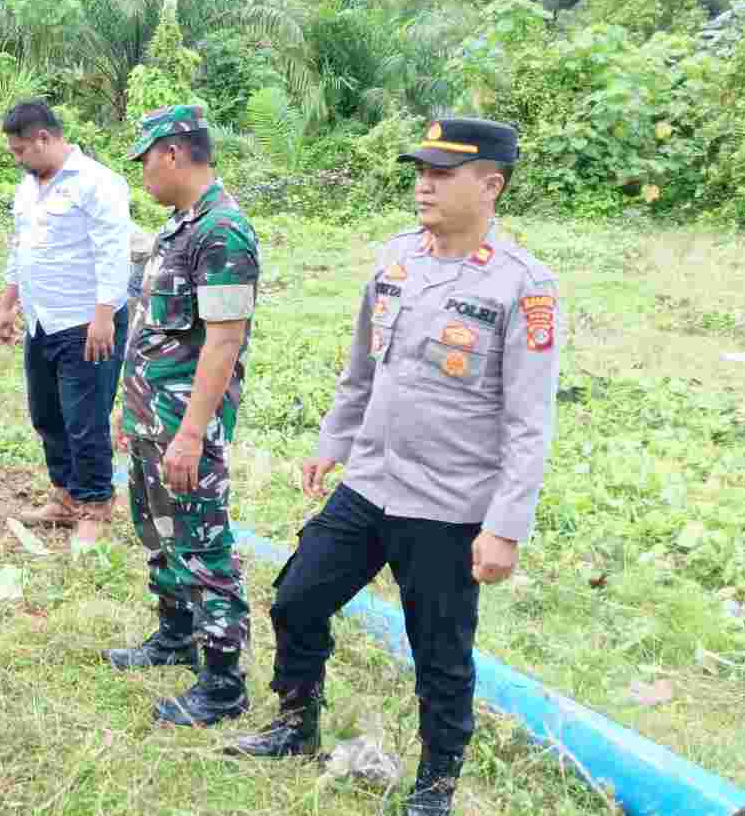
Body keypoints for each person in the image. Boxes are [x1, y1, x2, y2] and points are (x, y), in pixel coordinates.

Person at [221, 119, 559, 816]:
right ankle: (295, 723)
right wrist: (333, 440)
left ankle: (435, 784)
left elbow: (529, 421)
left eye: (442, 174)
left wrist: (505, 527)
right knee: (296, 598)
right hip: (371, 481)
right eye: (421, 171)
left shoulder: (522, 286)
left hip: (448, 503)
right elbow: (362, 367)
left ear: (490, 186)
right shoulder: (396, 259)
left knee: (440, 652)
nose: (423, 185)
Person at [105, 105, 261, 728]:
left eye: (145, 159)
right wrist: (127, 408)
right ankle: (174, 636)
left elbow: (223, 342)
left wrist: (192, 434)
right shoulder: (178, 228)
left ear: (172, 153)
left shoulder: (222, 232)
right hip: (152, 418)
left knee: (203, 546)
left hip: (185, 427)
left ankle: (222, 684)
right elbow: (151, 331)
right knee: (159, 532)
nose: (142, 172)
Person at [0, 100, 132, 547]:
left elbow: (113, 252)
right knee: (47, 415)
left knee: (85, 420)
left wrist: (104, 317)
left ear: (44, 138)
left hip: (86, 323)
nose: (17, 159)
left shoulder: (97, 182)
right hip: (42, 321)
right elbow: (20, 249)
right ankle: (66, 497)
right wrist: (7, 304)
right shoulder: (28, 187)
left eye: (20, 150)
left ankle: (95, 505)